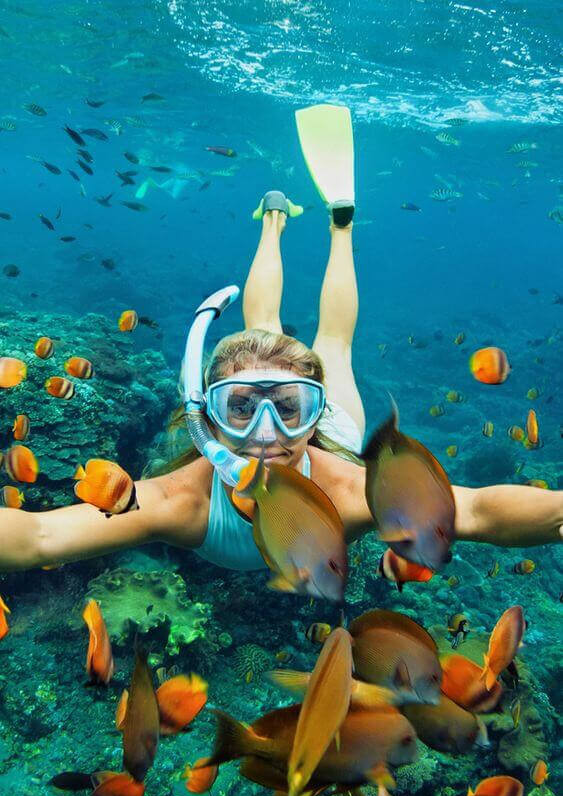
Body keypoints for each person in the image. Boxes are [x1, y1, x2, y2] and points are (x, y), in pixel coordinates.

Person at [1, 100, 562, 576]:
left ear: (313, 414)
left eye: (290, 406)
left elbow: (480, 512)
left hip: (336, 433)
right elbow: (36, 540)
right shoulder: (183, 502)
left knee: (328, 342)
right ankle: (275, 222)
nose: (267, 433)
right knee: (280, 330)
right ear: (207, 416)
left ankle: (339, 226)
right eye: (241, 407)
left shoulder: (351, 490)